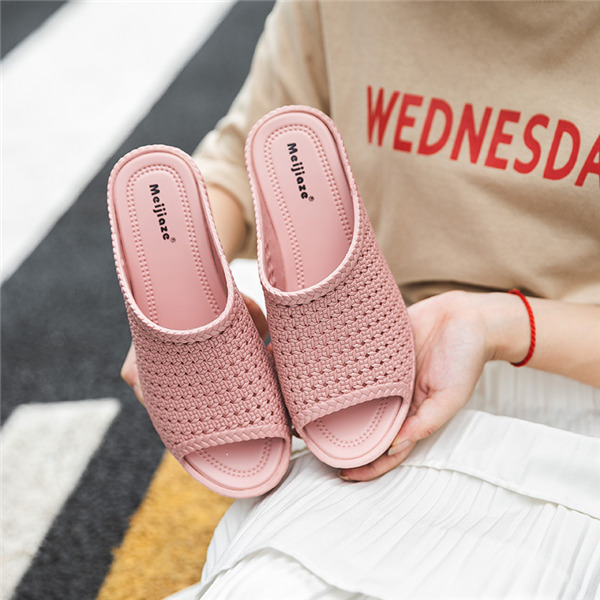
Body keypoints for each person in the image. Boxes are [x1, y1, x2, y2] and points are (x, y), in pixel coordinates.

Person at [120, 2, 600, 598]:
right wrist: (181, 293)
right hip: (376, 361)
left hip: (577, 382)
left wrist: (503, 324)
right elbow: (235, 167)